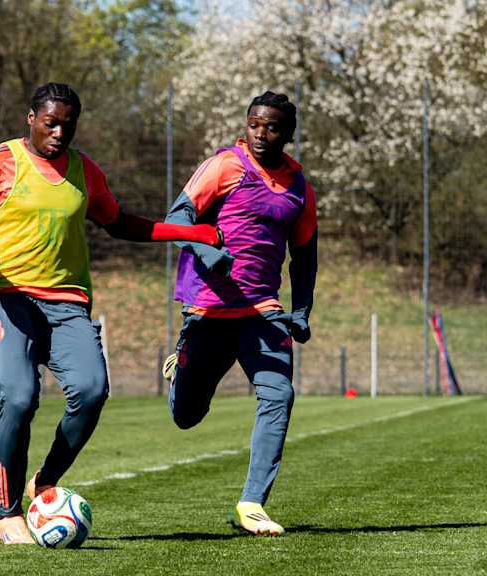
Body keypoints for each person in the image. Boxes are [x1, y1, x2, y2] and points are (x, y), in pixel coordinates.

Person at [0, 83, 222, 544]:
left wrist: (191, 233)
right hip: (9, 297)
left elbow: (119, 222)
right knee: (21, 396)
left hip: (68, 303)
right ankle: (8, 515)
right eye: (51, 122)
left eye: (68, 124)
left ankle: (43, 482)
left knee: (91, 391)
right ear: (31, 118)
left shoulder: (85, 172)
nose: (59, 132)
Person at [162, 91, 318, 537]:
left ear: (287, 133)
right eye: (254, 125)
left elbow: (305, 254)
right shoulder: (226, 165)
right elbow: (178, 216)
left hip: (262, 313)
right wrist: (206, 253)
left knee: (279, 395)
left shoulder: (299, 185)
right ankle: (181, 368)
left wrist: (302, 309)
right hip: (209, 310)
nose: (261, 134)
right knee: (186, 416)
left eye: (271, 127)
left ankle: (253, 503)